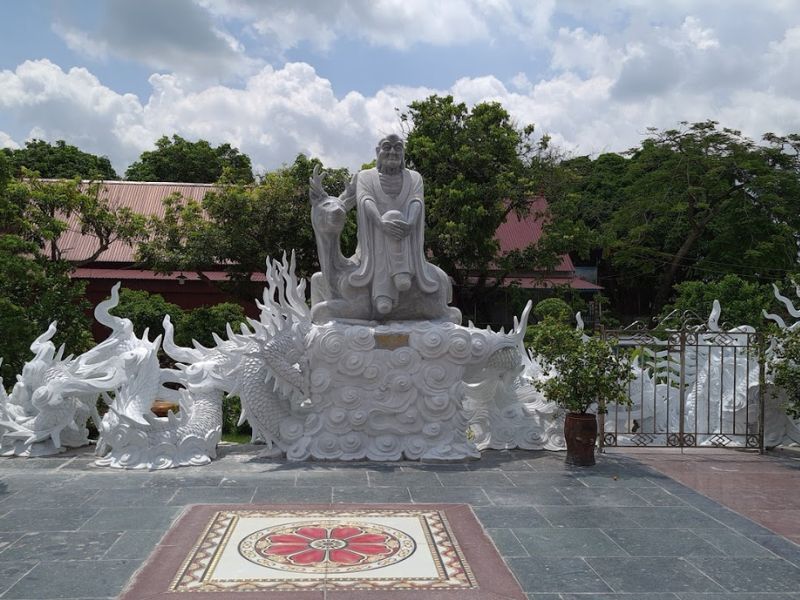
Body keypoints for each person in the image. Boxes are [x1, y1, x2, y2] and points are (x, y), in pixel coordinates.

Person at [349, 134, 445, 316]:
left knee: (395, 215)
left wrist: (410, 222)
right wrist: (379, 222)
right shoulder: (365, 177)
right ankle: (394, 279)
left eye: (398, 147)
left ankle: (387, 289)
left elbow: (416, 201)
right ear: (378, 151)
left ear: (403, 153)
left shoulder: (414, 178)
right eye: (387, 147)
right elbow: (365, 199)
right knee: (389, 217)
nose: (392, 152)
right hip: (375, 237)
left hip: (406, 236)